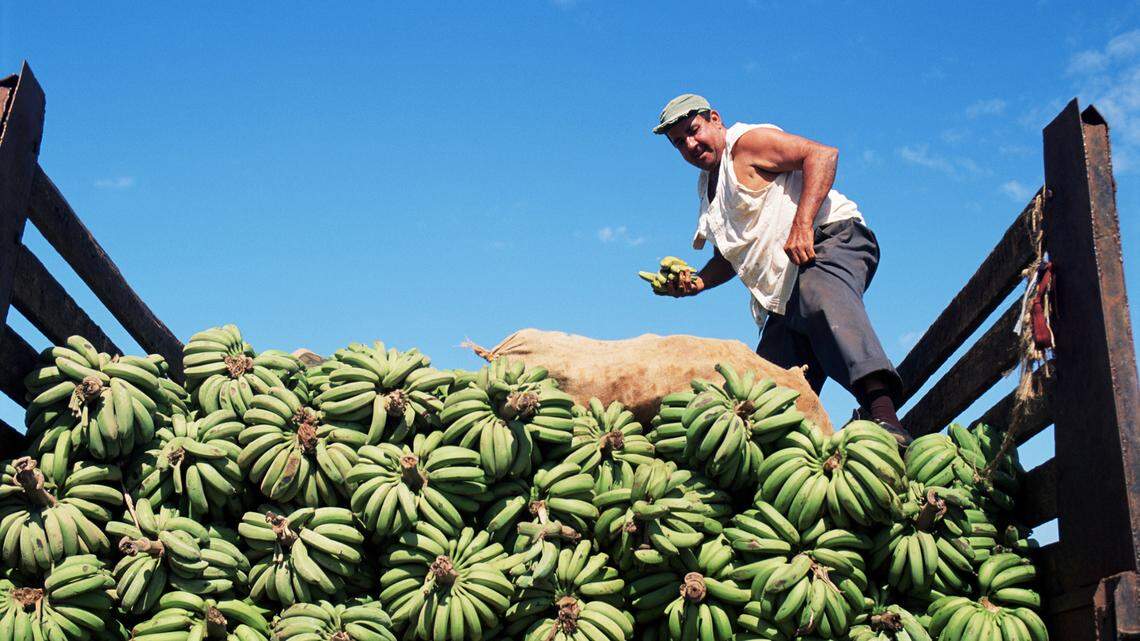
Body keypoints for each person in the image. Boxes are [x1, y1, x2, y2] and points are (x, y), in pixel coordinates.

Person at [651, 93, 910, 445]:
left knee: (819, 296)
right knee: (766, 388)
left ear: (714, 118)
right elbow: (729, 257)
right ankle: (791, 461)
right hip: (782, 291)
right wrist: (696, 283)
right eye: (680, 143)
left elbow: (821, 155)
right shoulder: (709, 191)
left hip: (829, 240)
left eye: (694, 131)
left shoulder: (746, 144)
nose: (691, 144)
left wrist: (803, 224)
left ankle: (885, 417)